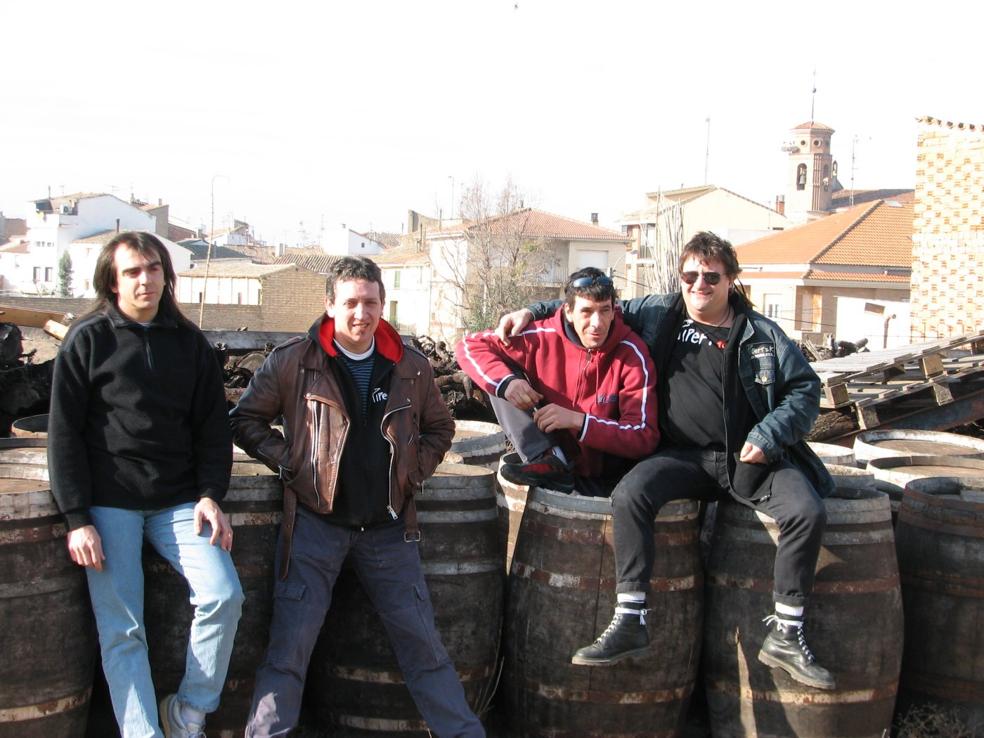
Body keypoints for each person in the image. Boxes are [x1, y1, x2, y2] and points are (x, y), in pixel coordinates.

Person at [498, 232, 836, 689]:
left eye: (711, 276)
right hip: (682, 458)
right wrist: (533, 311)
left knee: (806, 510)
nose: (700, 284)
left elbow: (804, 391)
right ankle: (630, 619)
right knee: (632, 494)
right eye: (690, 274)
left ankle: (787, 633)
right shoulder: (659, 312)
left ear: (730, 280)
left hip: (748, 458)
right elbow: (592, 303)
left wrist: (769, 434)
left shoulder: (763, 334)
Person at [230, 256, 484, 737]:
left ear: (383, 304)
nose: (360, 314)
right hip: (313, 528)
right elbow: (245, 420)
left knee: (425, 652)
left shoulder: (410, 367)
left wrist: (411, 475)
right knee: (288, 654)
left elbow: (440, 426)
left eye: (370, 302)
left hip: (389, 532)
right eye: (349, 302)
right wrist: (293, 465)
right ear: (329, 305)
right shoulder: (294, 361)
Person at [48, 231, 244, 738]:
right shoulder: (87, 340)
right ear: (112, 281)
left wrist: (210, 495)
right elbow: (63, 435)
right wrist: (77, 519)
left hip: (180, 501)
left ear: (166, 275)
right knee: (124, 632)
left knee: (224, 596)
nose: (145, 279)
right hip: (108, 504)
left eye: (153, 268)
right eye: (133, 271)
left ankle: (188, 712)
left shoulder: (190, 344)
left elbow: (213, 429)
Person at [455, 266, 659, 496]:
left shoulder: (632, 353)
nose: (597, 323)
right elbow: (470, 345)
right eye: (587, 312)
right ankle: (546, 459)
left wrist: (578, 422)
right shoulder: (541, 336)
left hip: (608, 477)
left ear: (614, 311)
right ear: (568, 312)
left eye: (604, 311)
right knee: (498, 379)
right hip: (553, 455)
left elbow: (643, 436)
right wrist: (508, 384)